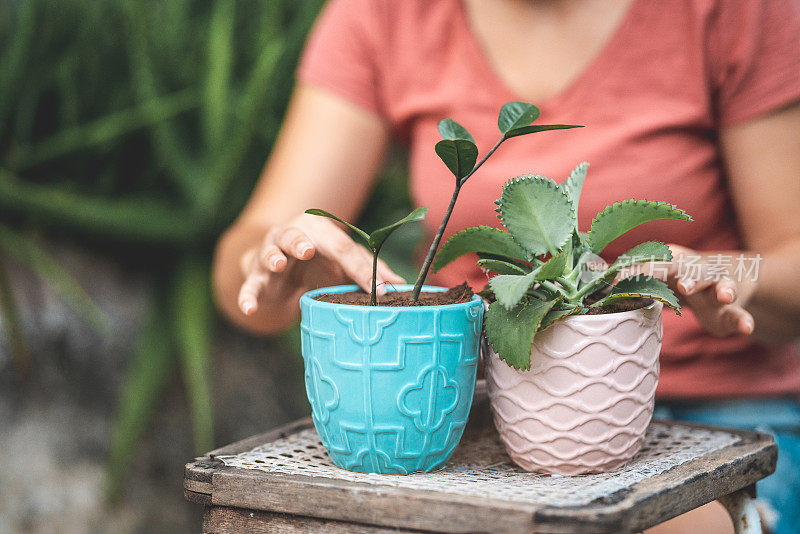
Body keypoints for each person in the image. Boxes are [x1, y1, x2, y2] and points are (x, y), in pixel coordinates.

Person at [213, 0, 800, 531]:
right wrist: (275, 264)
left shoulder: (735, 12)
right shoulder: (385, 14)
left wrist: (723, 275)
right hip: (472, 425)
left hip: (718, 424)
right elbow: (245, 256)